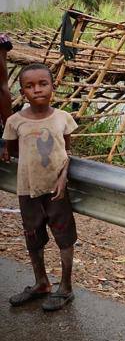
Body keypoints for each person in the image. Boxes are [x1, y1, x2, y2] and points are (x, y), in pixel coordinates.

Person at [3, 62, 78, 311]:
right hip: (28, 191)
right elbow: (12, 152)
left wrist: (63, 177)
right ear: (22, 91)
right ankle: (41, 283)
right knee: (33, 238)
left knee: (64, 239)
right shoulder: (14, 122)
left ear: (53, 87)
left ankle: (65, 287)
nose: (37, 90)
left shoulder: (62, 118)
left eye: (43, 84)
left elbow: (66, 152)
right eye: (30, 86)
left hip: (56, 192)